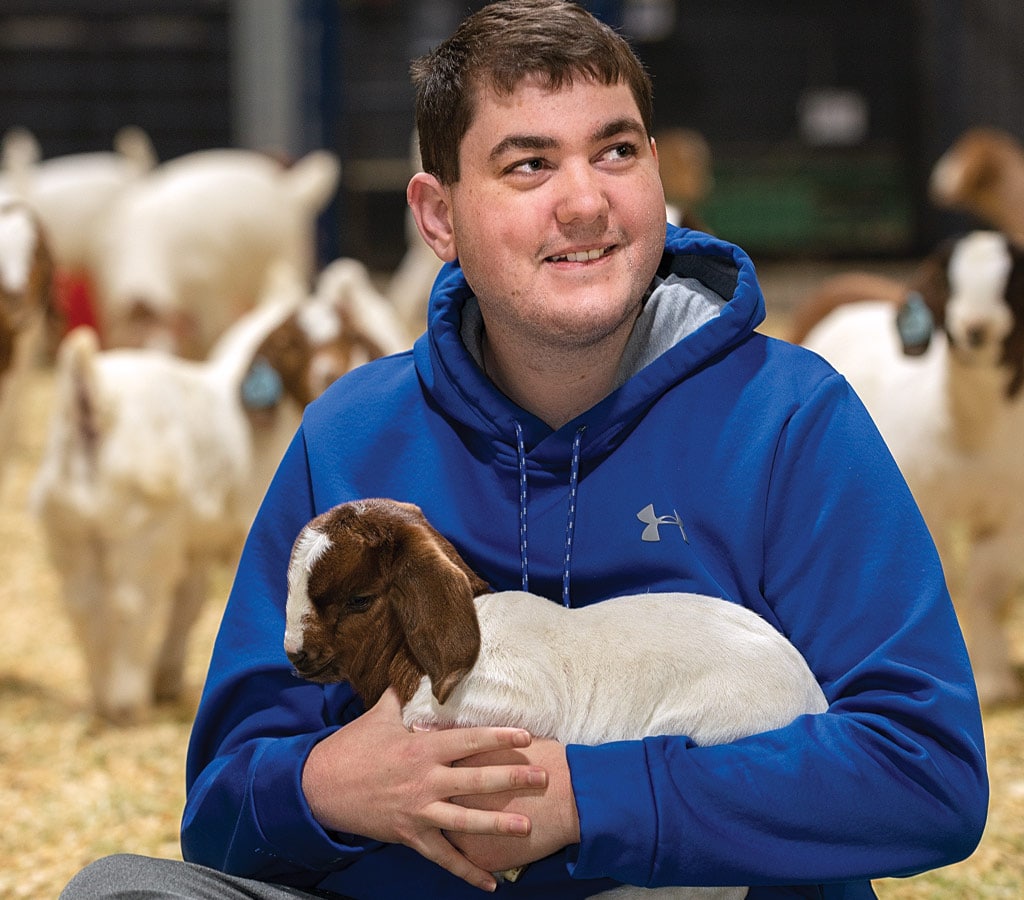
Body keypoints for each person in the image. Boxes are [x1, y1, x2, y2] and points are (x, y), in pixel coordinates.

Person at [61, 1, 988, 898]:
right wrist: (323, 789)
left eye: (617, 151)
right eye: (529, 165)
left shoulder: (787, 418)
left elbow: (925, 772)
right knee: (118, 890)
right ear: (439, 218)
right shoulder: (350, 436)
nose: (585, 201)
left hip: (698, 891)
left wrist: (594, 798)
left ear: (661, 178)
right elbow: (220, 809)